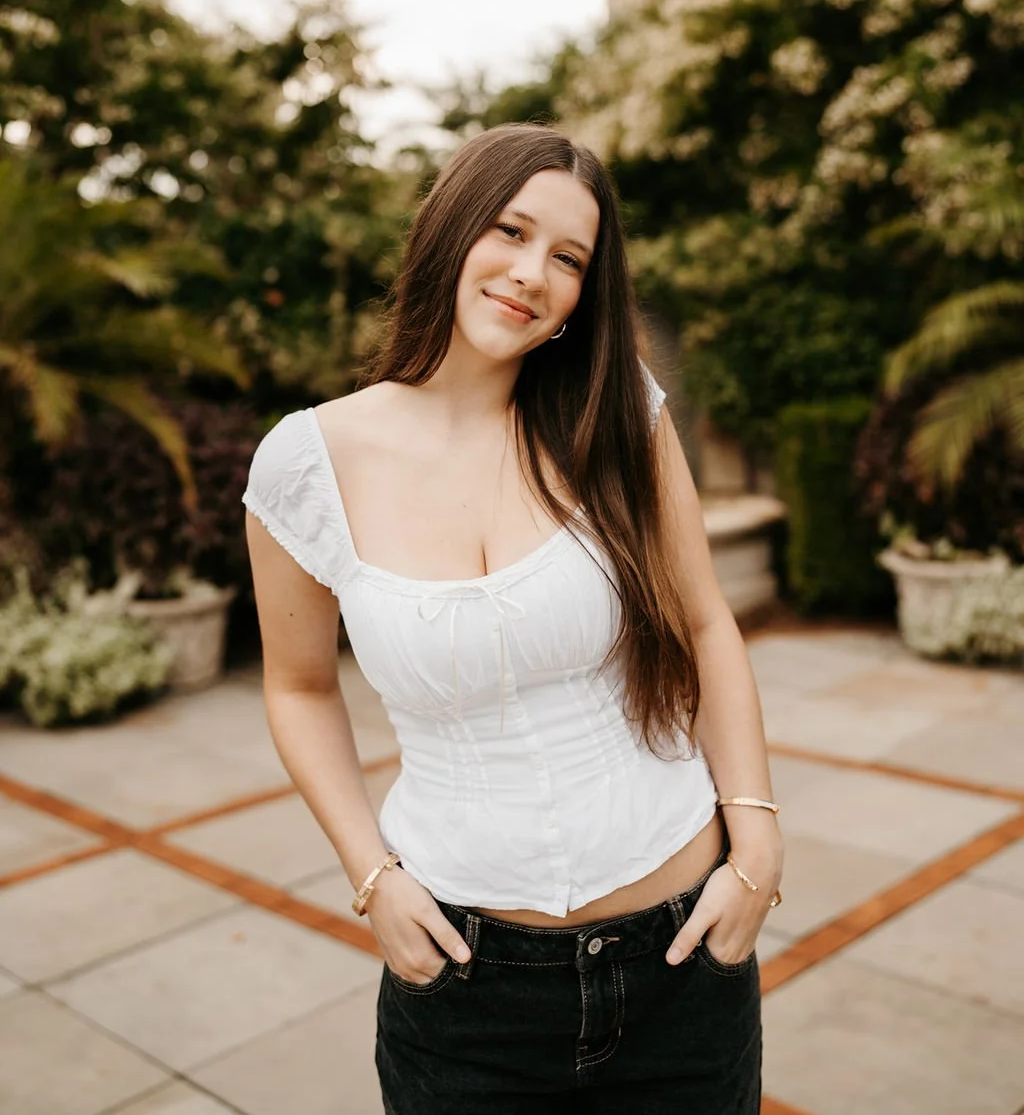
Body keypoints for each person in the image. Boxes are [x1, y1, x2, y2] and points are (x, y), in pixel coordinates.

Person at [243, 122, 783, 1114]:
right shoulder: (305, 462)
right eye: (511, 231)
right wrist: (372, 878)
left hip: (681, 959)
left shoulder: (615, 411)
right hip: (463, 988)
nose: (533, 274)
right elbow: (300, 686)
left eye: (570, 259)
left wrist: (755, 843)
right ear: (451, 229)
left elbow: (706, 622)